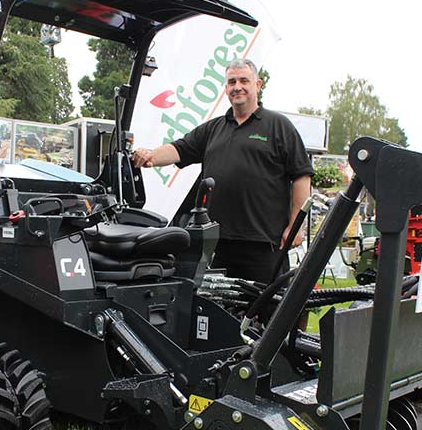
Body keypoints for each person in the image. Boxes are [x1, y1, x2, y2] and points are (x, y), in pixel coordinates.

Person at [132, 58, 313, 283]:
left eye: (244, 81)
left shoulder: (278, 126)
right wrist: (151, 156)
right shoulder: (214, 128)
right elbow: (179, 149)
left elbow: (301, 176)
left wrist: (296, 226)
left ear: (258, 85)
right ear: (226, 88)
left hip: (264, 244)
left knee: (267, 312)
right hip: (219, 243)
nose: (237, 87)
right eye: (231, 82)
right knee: (221, 313)